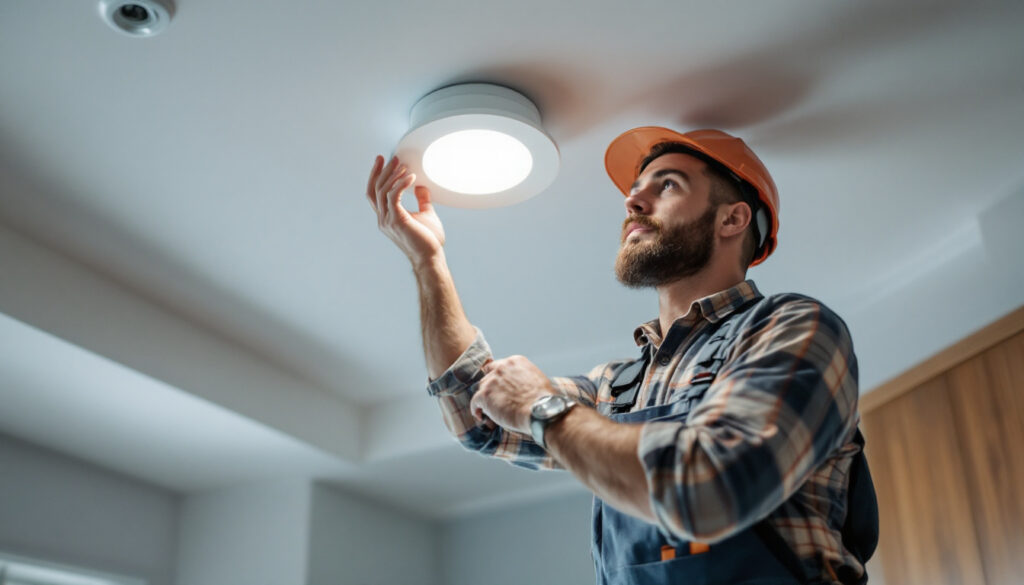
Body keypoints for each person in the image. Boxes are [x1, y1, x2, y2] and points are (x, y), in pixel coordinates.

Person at [366, 126, 873, 584]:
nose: (633, 199)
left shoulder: (789, 327)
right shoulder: (618, 386)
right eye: (635, 188)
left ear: (732, 218)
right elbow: (481, 417)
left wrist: (544, 410)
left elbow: (712, 489)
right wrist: (428, 262)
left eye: (667, 185)